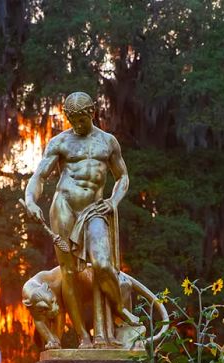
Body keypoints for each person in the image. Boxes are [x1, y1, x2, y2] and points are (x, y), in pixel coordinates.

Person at [24, 91, 138, 347]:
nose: (77, 125)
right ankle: (83, 337)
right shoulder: (60, 142)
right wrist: (31, 200)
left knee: (102, 265)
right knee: (70, 273)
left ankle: (119, 308)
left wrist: (113, 201)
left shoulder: (108, 142)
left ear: (92, 112)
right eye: (72, 120)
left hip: (94, 210)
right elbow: (40, 176)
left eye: (82, 119)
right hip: (64, 206)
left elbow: (123, 177)